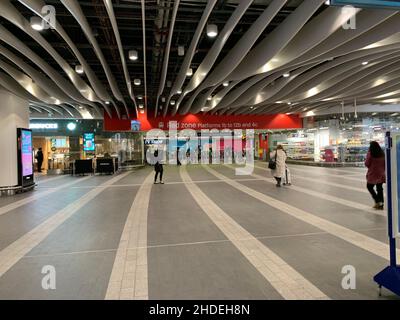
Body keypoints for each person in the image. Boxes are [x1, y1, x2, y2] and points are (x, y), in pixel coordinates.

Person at [365, 141, 385, 210]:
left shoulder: (370, 154)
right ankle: (381, 204)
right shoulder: (382, 153)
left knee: (369, 187)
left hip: (373, 173)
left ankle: (377, 201)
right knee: (380, 189)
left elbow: (367, 164)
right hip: (381, 173)